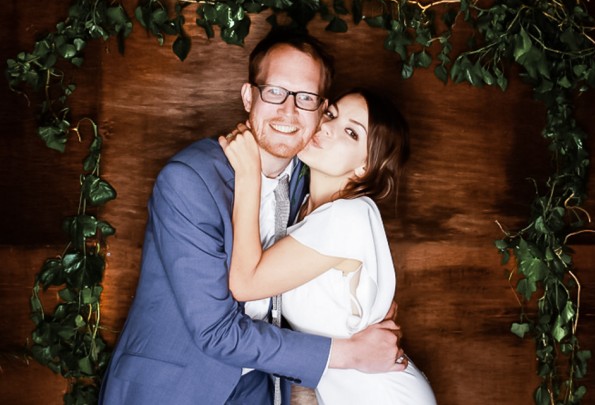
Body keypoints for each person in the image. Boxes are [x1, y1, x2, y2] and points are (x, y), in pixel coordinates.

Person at [98, 28, 407, 405]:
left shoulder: (312, 186)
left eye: (306, 98)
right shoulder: (189, 182)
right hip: (175, 389)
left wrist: (369, 312)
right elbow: (216, 331)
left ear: (319, 110)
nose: (288, 112)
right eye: (275, 91)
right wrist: (351, 350)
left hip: (259, 391)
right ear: (249, 97)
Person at [220, 89, 438, 404]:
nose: (326, 128)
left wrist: (248, 174)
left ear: (366, 166)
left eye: (351, 133)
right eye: (331, 114)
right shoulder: (306, 209)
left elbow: (245, 283)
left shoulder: (347, 216)